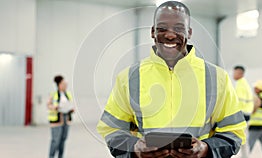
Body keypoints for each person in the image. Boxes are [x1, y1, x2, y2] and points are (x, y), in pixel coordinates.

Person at [97, 1, 246, 158]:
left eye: (179, 28)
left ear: (189, 33)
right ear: (153, 32)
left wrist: (206, 149)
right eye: (162, 28)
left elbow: (235, 131)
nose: (169, 35)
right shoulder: (128, 78)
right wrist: (134, 149)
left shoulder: (217, 78)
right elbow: (111, 129)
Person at [47, 75, 74, 158]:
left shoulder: (68, 94)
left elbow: (71, 104)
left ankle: (60, 156)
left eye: (65, 84)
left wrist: (72, 109)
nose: (65, 85)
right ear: (59, 85)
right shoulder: (53, 94)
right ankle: (51, 156)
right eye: (63, 84)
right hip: (56, 121)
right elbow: (48, 105)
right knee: (55, 141)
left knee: (63, 140)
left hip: (66, 119)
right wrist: (55, 107)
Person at [232, 66, 254, 158]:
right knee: (243, 140)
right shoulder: (245, 83)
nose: (233, 74)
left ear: (240, 73)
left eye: (235, 72)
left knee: (237, 138)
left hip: (241, 115)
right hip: (246, 115)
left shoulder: (240, 84)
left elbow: (239, 102)